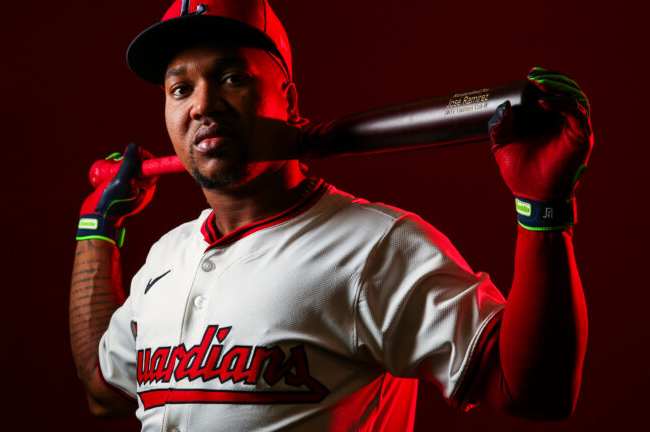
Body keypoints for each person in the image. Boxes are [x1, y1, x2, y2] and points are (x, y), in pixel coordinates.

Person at [69, 0, 592, 430]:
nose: (201, 104)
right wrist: (98, 228)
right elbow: (104, 388)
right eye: (180, 88)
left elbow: (530, 392)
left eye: (231, 77)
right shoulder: (166, 257)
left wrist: (543, 210)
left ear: (287, 98)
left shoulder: (374, 247)